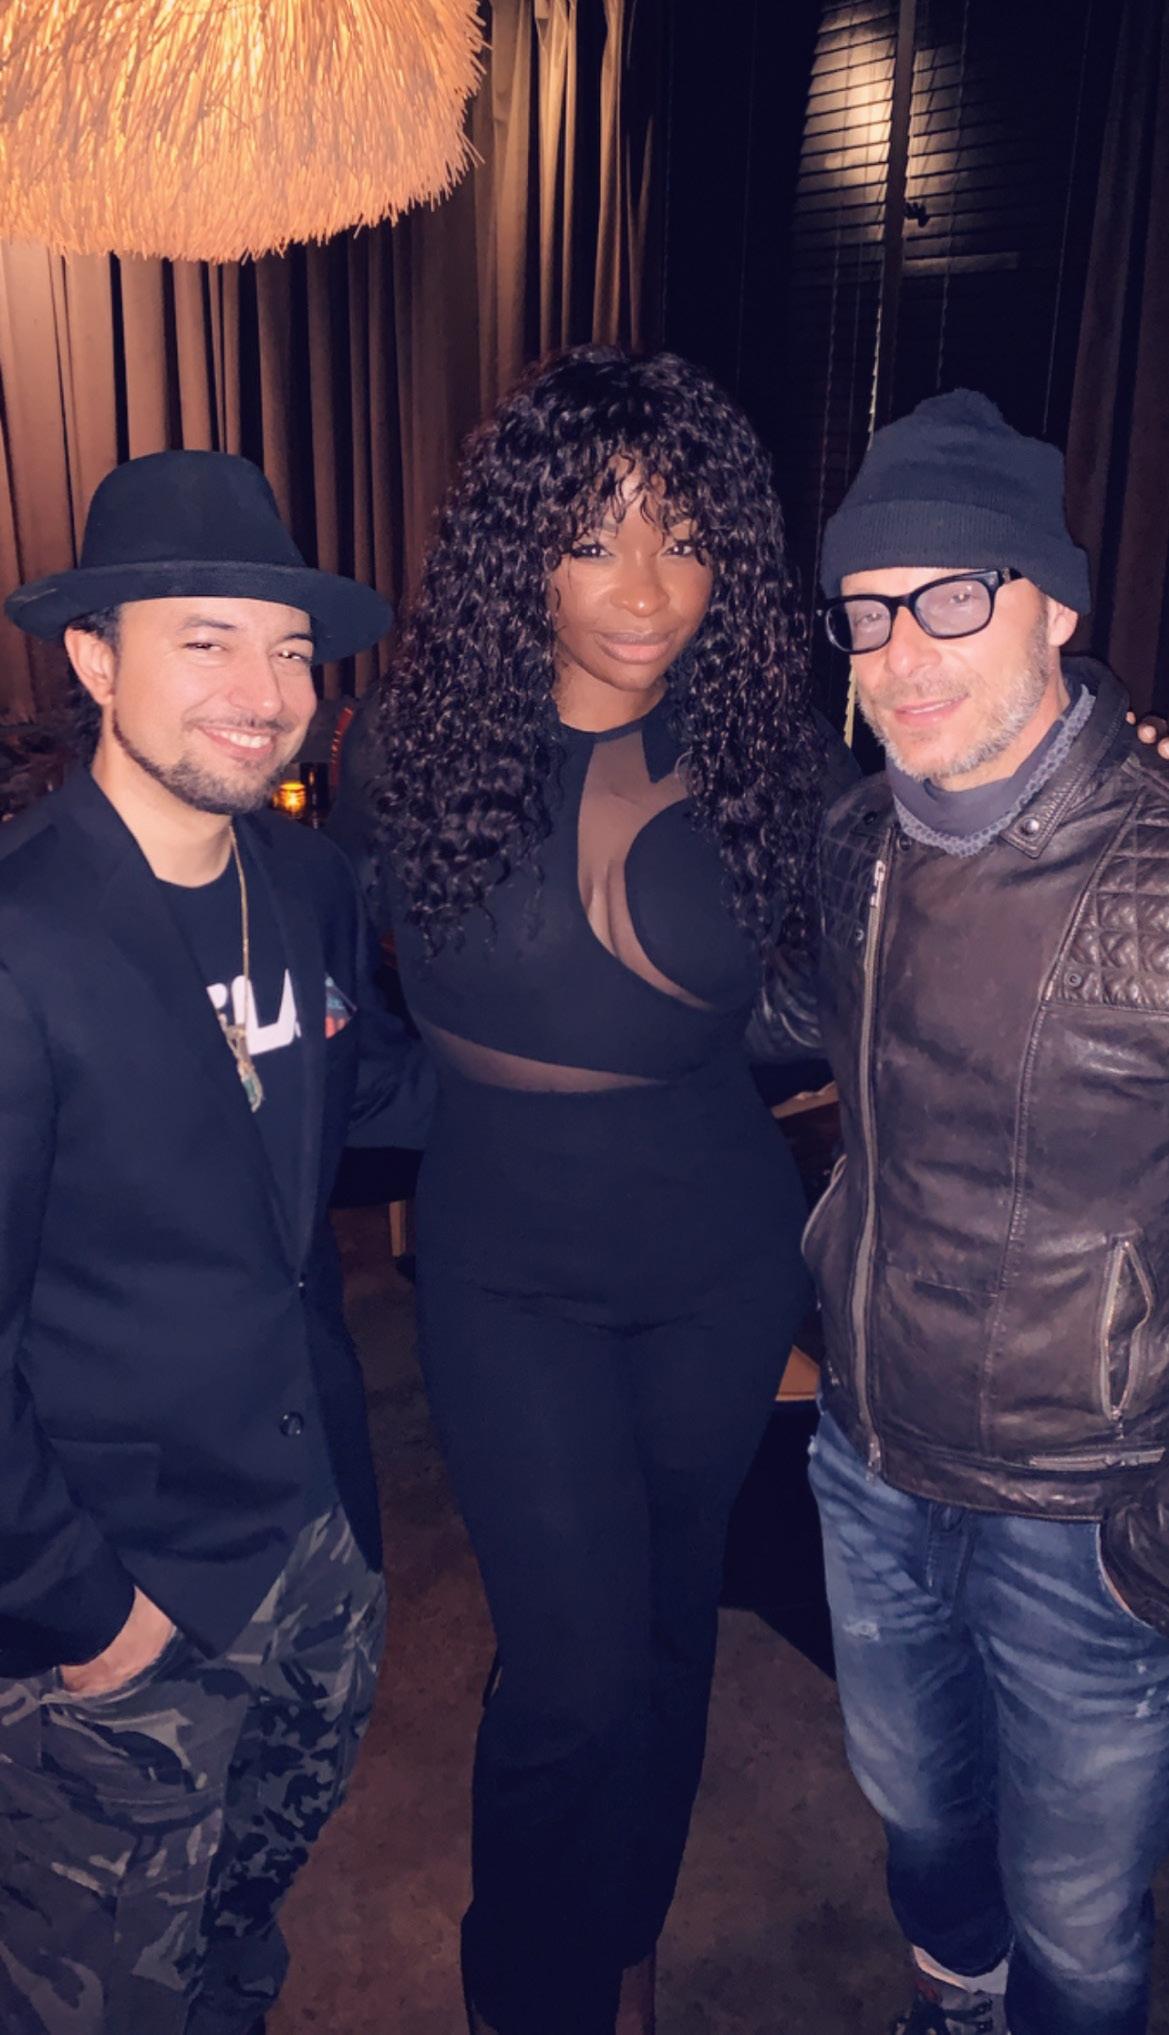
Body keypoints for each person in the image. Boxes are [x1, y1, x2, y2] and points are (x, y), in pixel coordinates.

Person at [341, 344, 832, 2035]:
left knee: (674, 1632)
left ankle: (622, 1943)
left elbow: (841, 973)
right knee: (570, 1669)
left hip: (716, 1257)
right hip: (506, 1269)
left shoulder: (767, 748)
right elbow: (343, 980)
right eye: (597, 534)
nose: (645, 588)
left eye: (684, 537)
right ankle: (526, 1992)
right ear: (521, 548)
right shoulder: (407, 740)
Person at [0, 450, 434, 2035]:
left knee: (241, 1935)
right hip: (125, 1588)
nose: (264, 695)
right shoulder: (22, 941)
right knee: (95, 1994)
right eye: (205, 641)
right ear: (95, 657)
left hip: (316, 1544)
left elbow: (370, 1092)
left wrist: (602, 1070)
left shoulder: (304, 883)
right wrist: (84, 1615)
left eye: (290, 648)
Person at [805, 388, 1169, 2035]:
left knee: (1081, 1925)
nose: (902, 651)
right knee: (920, 1822)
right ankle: (954, 2003)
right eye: (868, 610)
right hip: (870, 1457)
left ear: (1056, 607)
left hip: (1080, 1513)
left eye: (952, 596)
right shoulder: (854, 848)